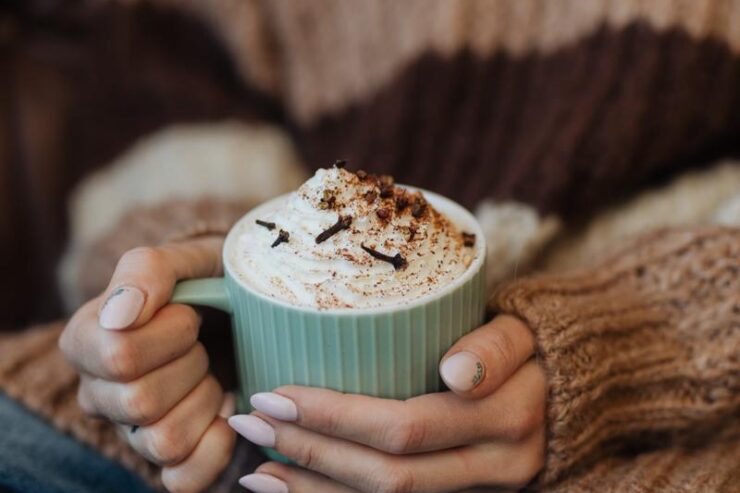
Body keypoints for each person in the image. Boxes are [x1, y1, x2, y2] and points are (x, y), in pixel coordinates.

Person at [1, 1, 738, 493]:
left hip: (664, 416)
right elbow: (169, 106)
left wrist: (626, 342)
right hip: (206, 443)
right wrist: (202, 309)